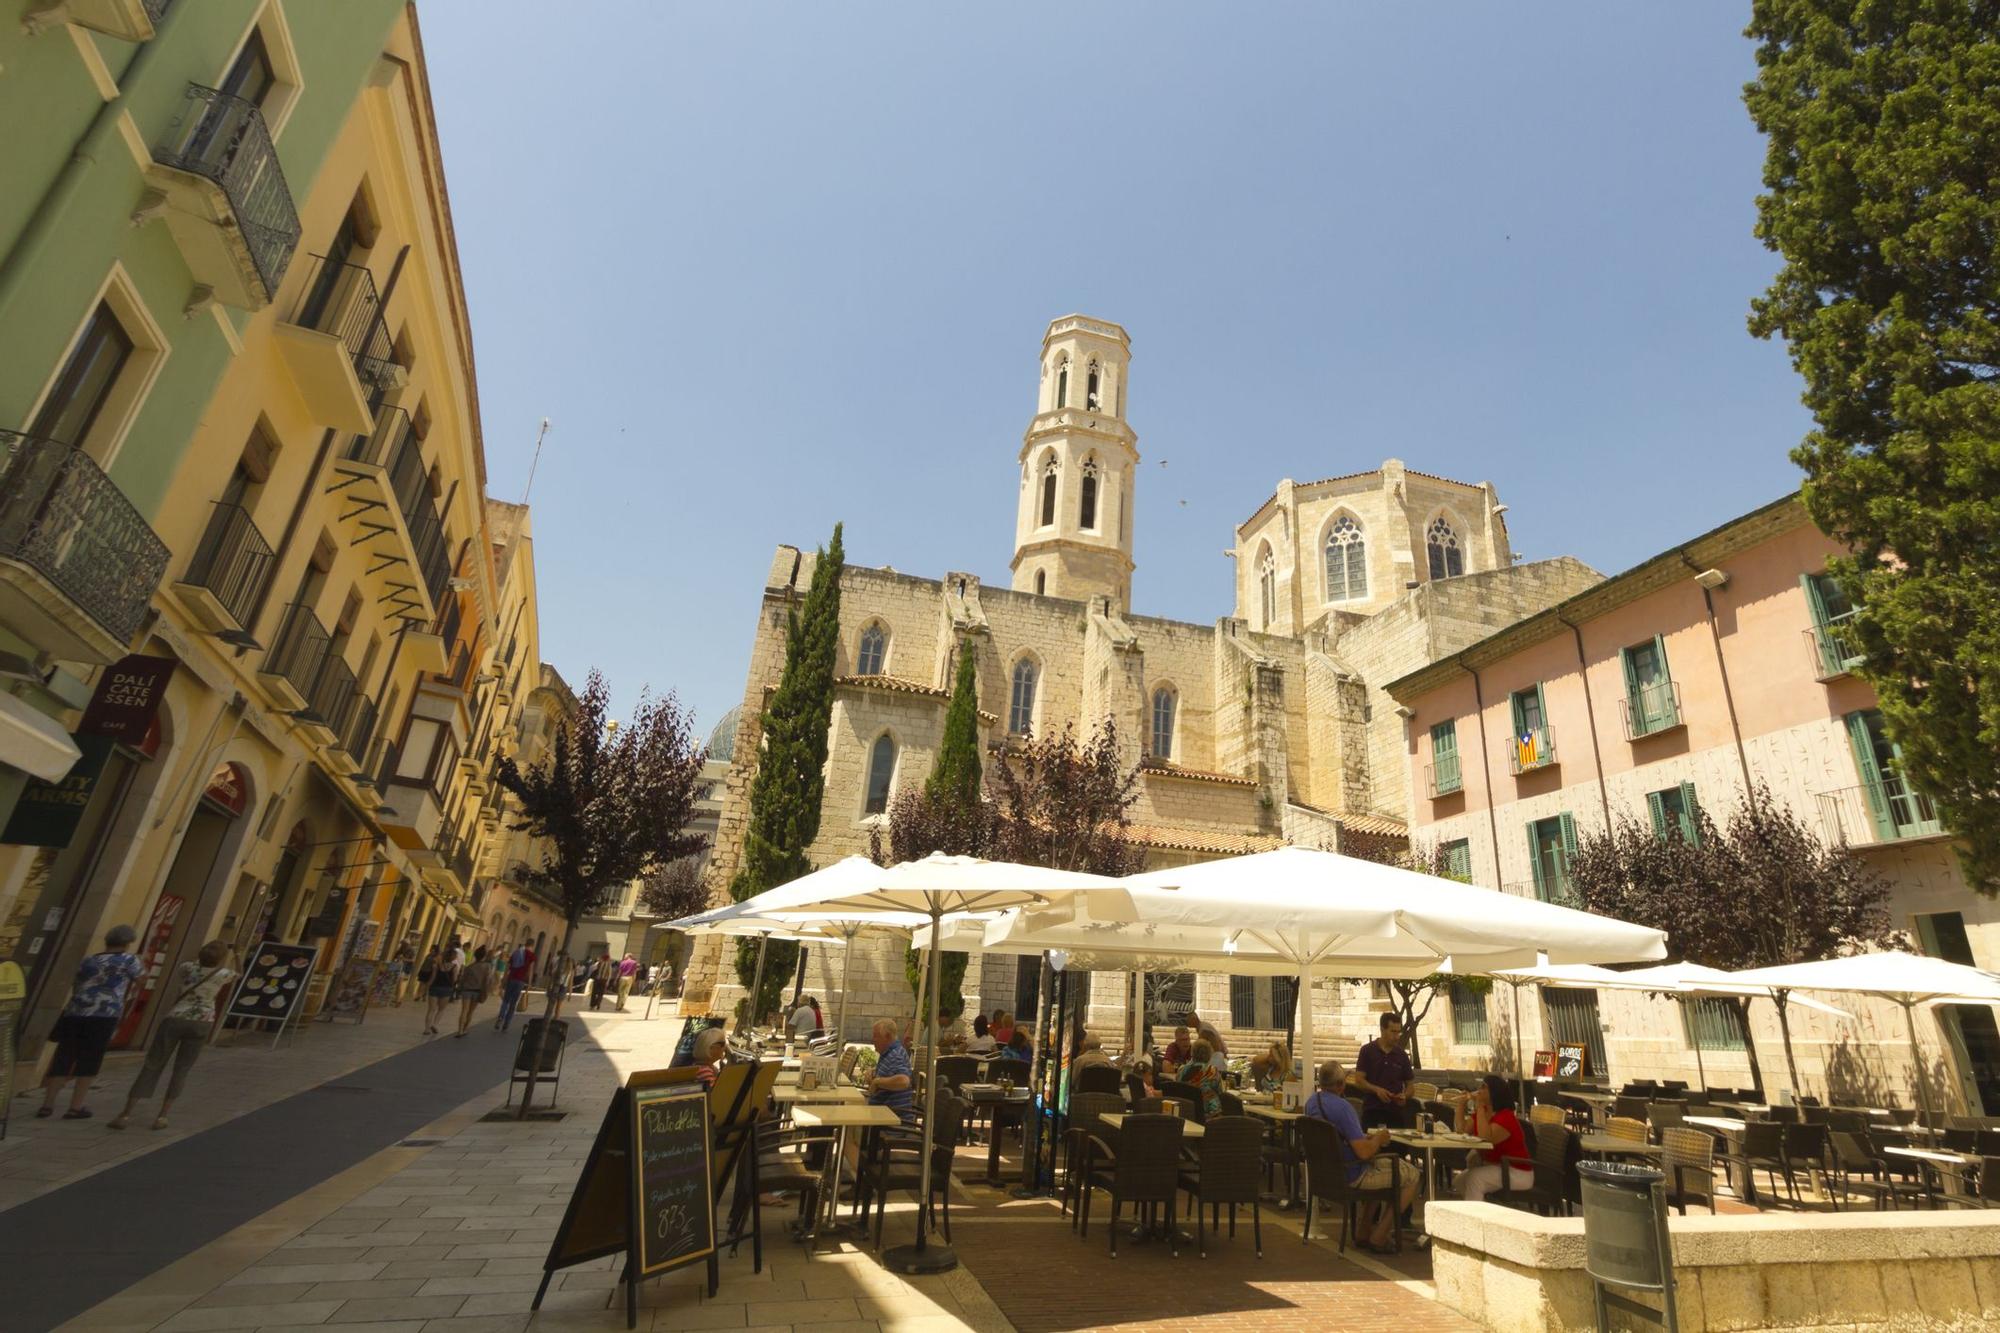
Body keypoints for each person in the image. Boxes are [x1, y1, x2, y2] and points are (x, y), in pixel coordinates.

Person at [110, 939, 235, 1131]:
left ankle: (126, 1113)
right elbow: (239, 974)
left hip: (175, 1017)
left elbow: (193, 965)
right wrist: (236, 954)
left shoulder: (187, 967)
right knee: (182, 1069)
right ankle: (162, 1116)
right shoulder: (223, 974)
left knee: (153, 1064)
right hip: (202, 1021)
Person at [1306, 1058, 1421, 1252]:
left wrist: (1366, 1139)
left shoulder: (1311, 1102)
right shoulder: (1344, 1108)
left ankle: (1363, 1230)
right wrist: (1378, 1139)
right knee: (1412, 1175)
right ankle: (1380, 1235)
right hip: (1351, 1174)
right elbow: (1364, 1153)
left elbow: (1344, 1137)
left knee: (1379, 1168)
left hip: (1325, 1173)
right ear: (1341, 1084)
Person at [38, 925, 142, 1120]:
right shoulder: (129, 960)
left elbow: (76, 983)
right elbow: (141, 981)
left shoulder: (89, 960)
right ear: (127, 943)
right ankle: (75, 1107)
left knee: (63, 1056)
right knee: (90, 1059)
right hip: (104, 1014)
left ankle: (47, 1105)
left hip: (75, 1012)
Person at [1455, 1075, 1533, 1201]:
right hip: (1497, 1167)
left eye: (1484, 1087)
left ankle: (1475, 1212)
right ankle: (1479, 1206)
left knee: (1475, 1178)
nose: (1479, 1090)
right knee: (1459, 1181)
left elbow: (1485, 1137)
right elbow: (1462, 1130)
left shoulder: (1506, 1117)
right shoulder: (1484, 1113)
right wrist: (1461, 1105)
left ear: (1494, 1092)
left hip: (1516, 1171)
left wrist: (1480, 1106)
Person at [1350, 1013, 1414, 1128]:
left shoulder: (1402, 1055)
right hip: (1372, 1111)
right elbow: (1359, 1080)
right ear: (1382, 1030)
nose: (1397, 1036)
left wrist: (1405, 1096)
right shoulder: (1367, 1051)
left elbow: (1410, 1086)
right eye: (1393, 1032)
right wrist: (1376, 1090)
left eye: (1398, 1032)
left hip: (1395, 1114)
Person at [866, 1018, 915, 1121]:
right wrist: (873, 1073)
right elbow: (890, 1074)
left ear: (887, 1037)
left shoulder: (895, 1055)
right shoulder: (888, 1053)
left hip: (890, 1123)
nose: (872, 1040)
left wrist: (877, 1082)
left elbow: (903, 1081)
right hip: (881, 1116)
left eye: (876, 1036)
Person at [454, 945, 495, 1036]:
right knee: (471, 1011)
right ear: (484, 956)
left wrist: (459, 989)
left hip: (467, 990)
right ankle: (465, 1029)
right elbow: (488, 980)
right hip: (477, 991)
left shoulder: (470, 967)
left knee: (464, 1010)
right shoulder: (487, 967)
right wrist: (487, 991)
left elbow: (463, 979)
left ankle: (460, 1030)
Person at [1177, 1039, 1224, 1118]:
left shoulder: (1182, 1070)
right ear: (1209, 1054)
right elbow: (1220, 1093)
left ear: (1192, 1053)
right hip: (1209, 1113)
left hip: (1186, 1110)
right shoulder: (1212, 1071)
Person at [495, 940, 535, 1032]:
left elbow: (508, 966)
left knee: (506, 1000)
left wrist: (505, 978)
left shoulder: (516, 952)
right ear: (532, 946)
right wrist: (529, 983)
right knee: (513, 1003)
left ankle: (500, 1018)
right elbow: (530, 970)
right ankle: (507, 1023)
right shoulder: (531, 956)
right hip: (520, 981)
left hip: (511, 978)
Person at [423, 938, 461, 1035]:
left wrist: (426, 987)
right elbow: (454, 980)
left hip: (435, 988)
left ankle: (427, 1029)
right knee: (441, 1009)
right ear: (453, 958)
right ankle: (435, 1025)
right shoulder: (454, 967)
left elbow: (432, 977)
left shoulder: (437, 965)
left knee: (431, 1009)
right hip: (446, 989)